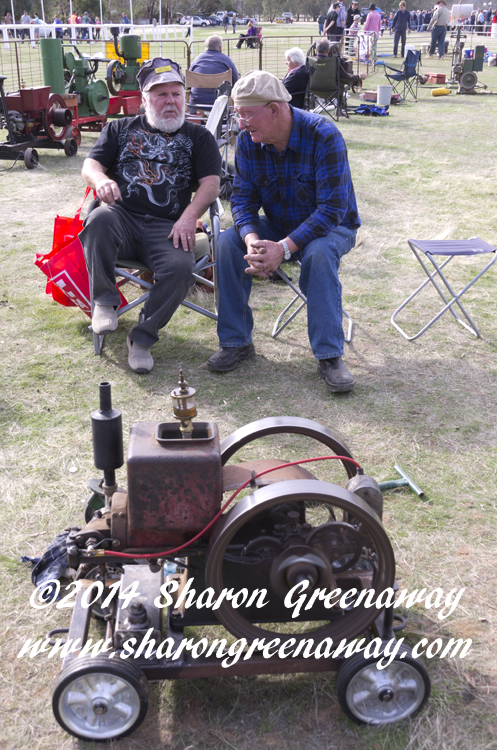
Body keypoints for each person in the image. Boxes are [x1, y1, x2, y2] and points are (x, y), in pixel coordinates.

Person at [206, 71, 360, 393]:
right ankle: (236, 342)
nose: (241, 123)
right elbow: (243, 200)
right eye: (238, 114)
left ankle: (329, 356)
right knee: (228, 243)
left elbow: (331, 210)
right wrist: (252, 241)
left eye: (247, 114)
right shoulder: (248, 142)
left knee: (318, 253)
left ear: (274, 109)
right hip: (278, 224)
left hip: (332, 227)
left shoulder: (323, 135)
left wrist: (284, 248)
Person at [79, 58, 221, 374]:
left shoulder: (199, 138)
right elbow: (90, 166)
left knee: (180, 268)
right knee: (98, 219)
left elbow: (211, 184)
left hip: (168, 227)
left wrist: (190, 216)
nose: (171, 101)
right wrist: (100, 180)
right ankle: (104, 301)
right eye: (161, 94)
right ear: (144, 99)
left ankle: (142, 338)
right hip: (122, 220)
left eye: (176, 94)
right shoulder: (119, 129)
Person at [189, 35, 239, 109]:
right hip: (221, 103)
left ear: (206, 47)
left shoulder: (197, 59)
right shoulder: (226, 60)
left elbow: (189, 81)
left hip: (197, 103)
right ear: (220, 48)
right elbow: (235, 81)